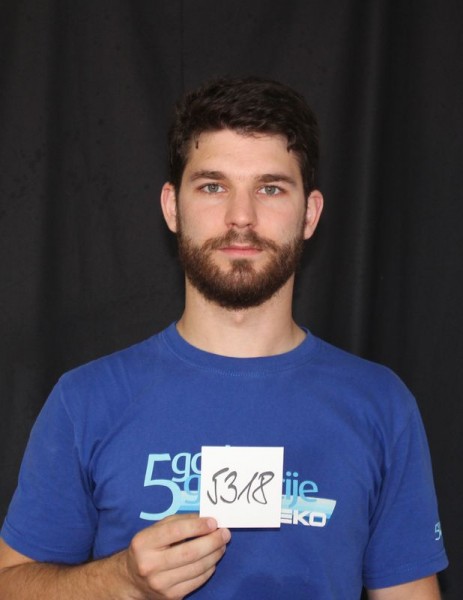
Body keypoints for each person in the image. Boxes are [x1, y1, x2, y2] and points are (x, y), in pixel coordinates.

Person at [0, 77, 448, 599]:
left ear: (310, 214)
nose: (241, 217)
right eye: (213, 186)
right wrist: (120, 581)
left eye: (270, 188)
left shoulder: (381, 404)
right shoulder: (85, 401)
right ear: (172, 207)